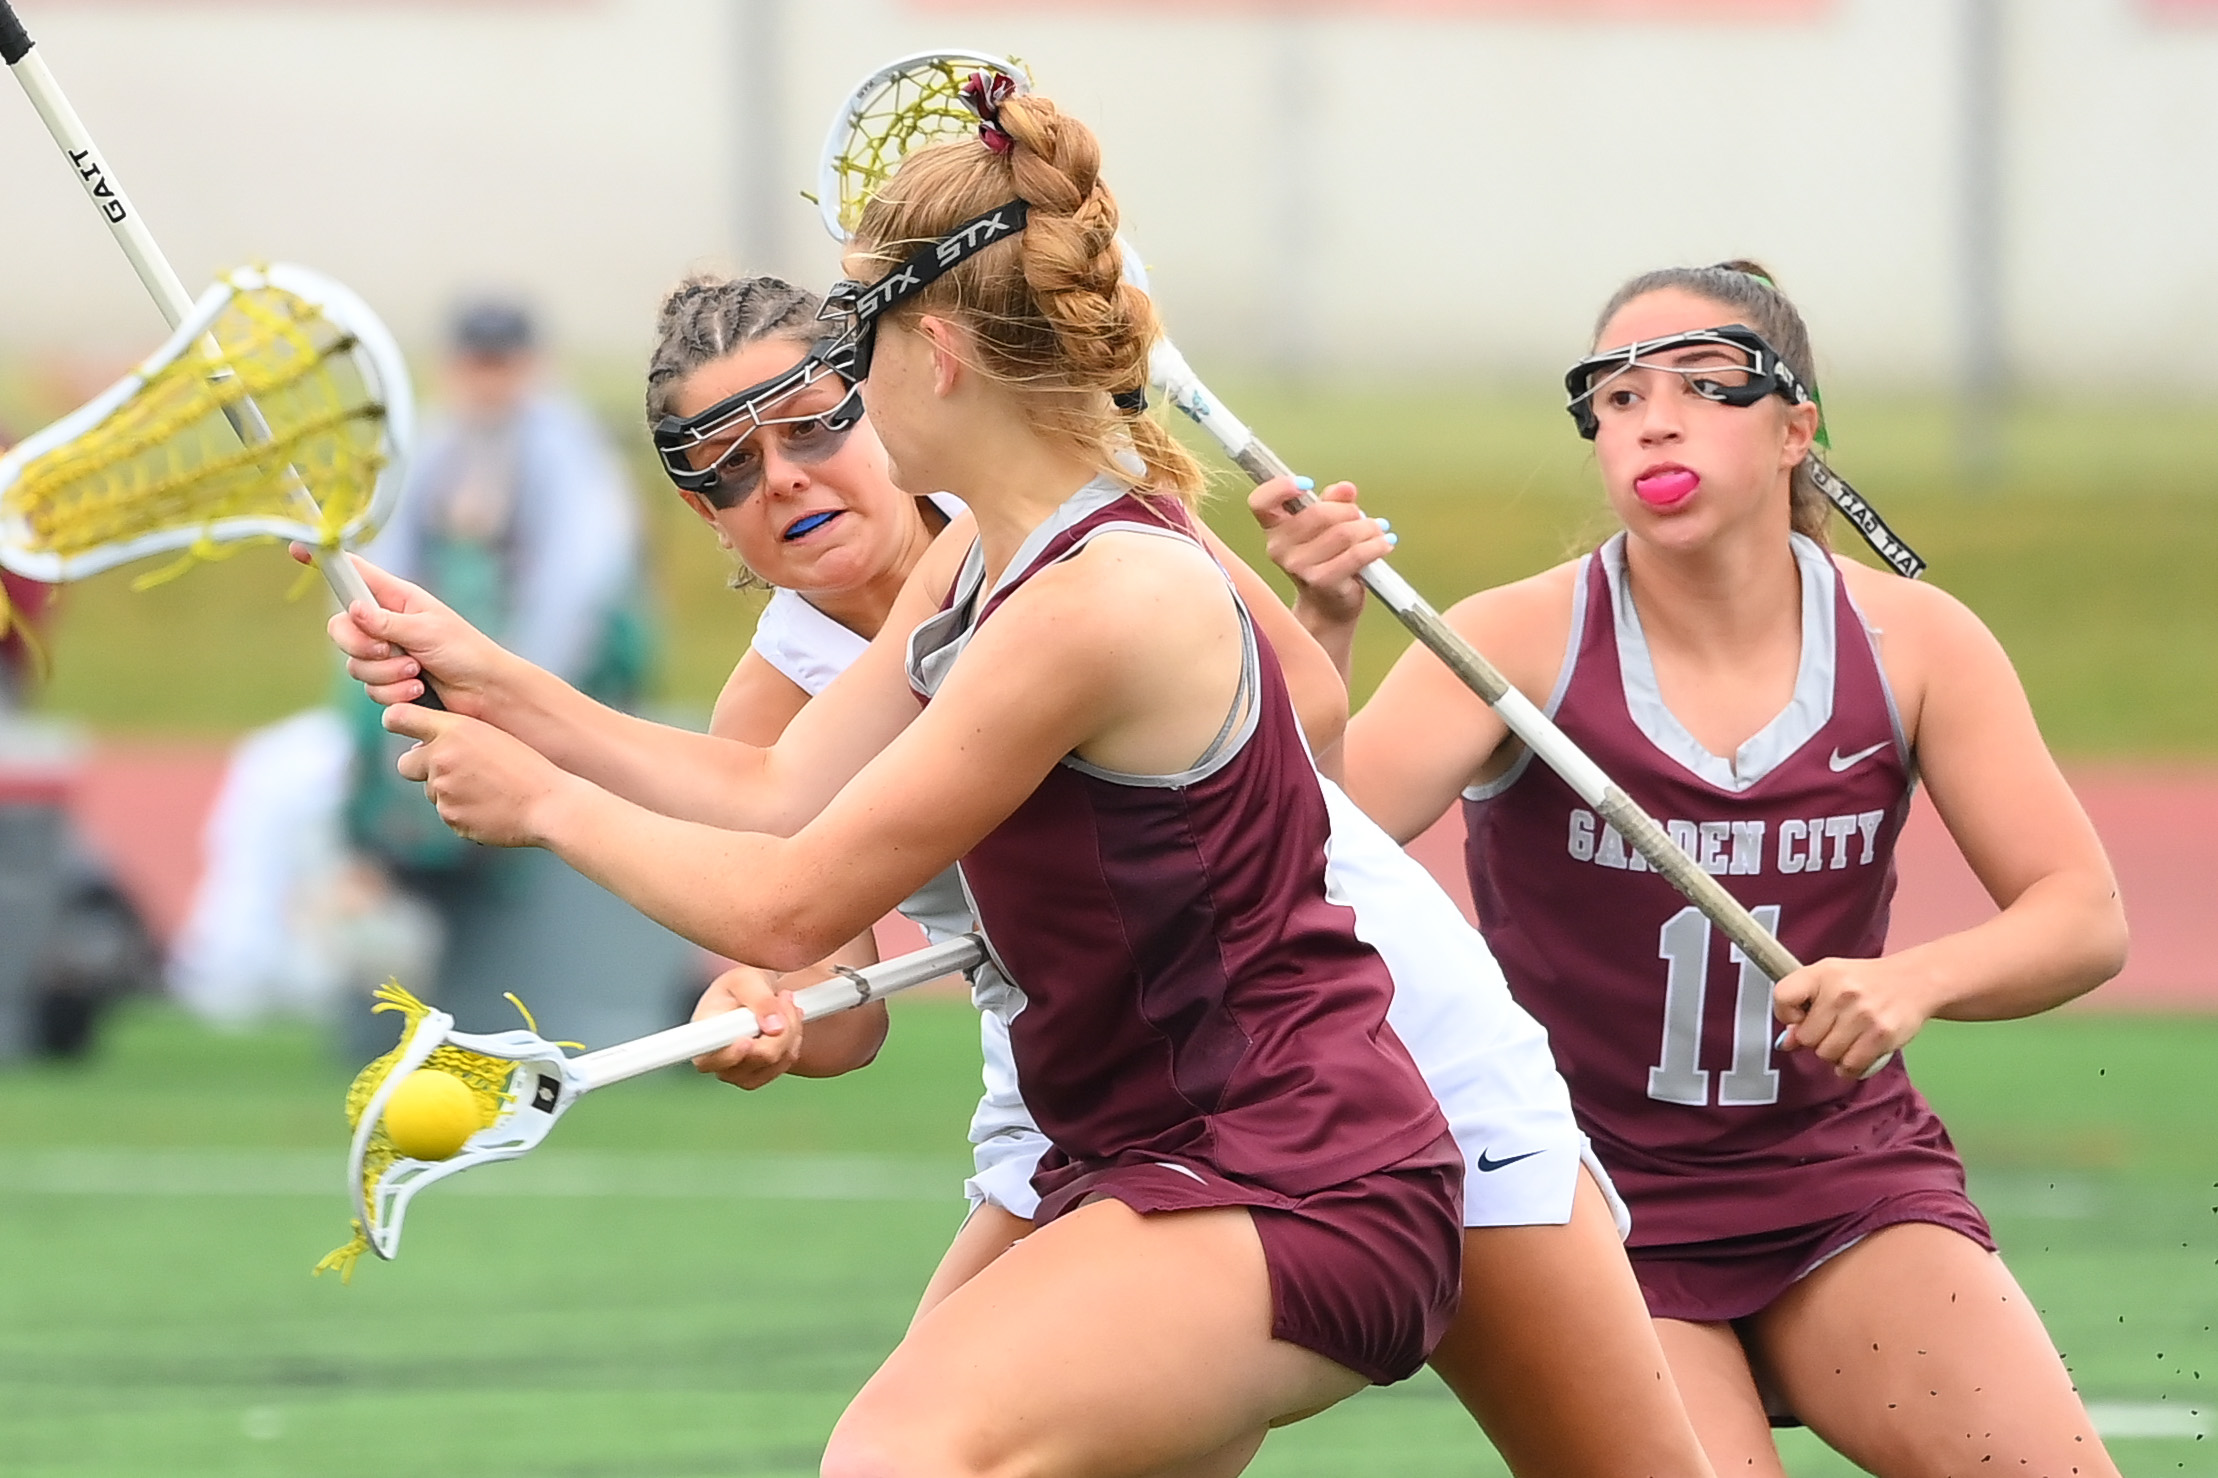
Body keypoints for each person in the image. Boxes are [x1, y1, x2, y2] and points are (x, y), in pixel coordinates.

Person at [332, 88, 1485, 1477]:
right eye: (728, 464)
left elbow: (788, 890)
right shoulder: (984, 566)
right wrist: (485, 674)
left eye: (842, 374)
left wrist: (541, 801)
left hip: (1297, 1152)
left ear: (931, 354)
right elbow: (774, 795)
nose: (816, 447)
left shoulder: (1081, 597)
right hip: (1128, 1134)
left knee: (902, 1453)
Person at [638, 270, 1712, 1473]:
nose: (780, 477)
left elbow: (1302, 710)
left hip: (1375, 1026)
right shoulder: (770, 709)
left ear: (884, 389)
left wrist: (1314, 616)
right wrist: (758, 1012)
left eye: (811, 422)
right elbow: (825, 994)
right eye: (725, 465)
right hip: (1106, 1101)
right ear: (704, 513)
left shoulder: (1050, 510)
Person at [1251, 261, 2127, 1476]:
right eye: (1614, 397)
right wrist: (1325, 627)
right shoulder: (1517, 638)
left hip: (1844, 1180)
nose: (1651, 418)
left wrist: (1912, 982)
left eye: (1702, 386)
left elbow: (2081, 913)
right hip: (1592, 1204)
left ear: (1793, 431)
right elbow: (1298, 851)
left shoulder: (1914, 640)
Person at [340, 298, 679, 1047]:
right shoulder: (434, 443)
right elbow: (387, 562)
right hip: (443, 657)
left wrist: (511, 687)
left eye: (503, 364)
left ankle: (432, 870)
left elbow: (578, 585)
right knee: (362, 712)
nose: (489, 381)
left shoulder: (566, 451)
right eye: (476, 363)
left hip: (548, 664)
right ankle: (392, 874)